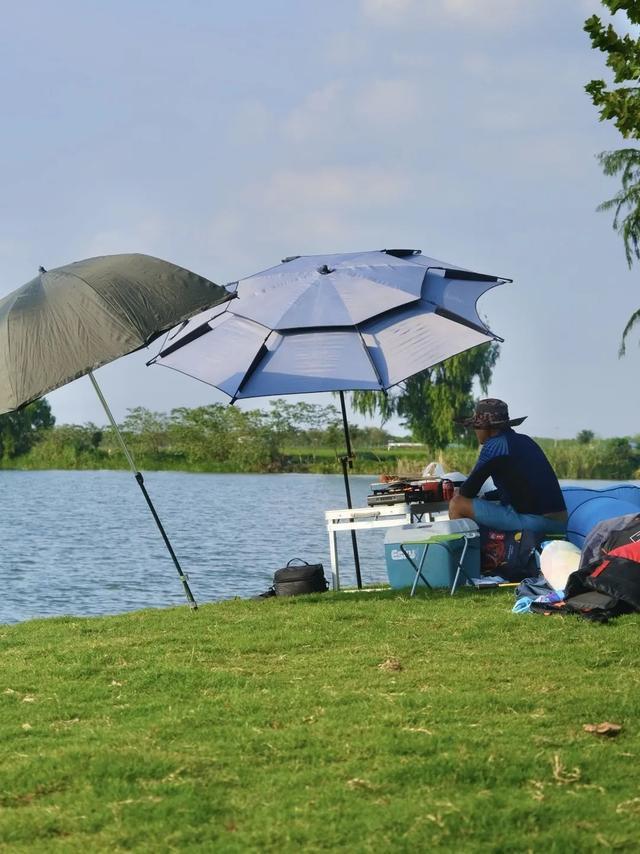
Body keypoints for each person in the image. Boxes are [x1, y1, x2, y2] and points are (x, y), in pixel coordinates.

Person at [448, 398, 567, 535]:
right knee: (484, 503)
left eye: (476, 426)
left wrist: (458, 492)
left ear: (487, 427)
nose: (475, 431)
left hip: (538, 522)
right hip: (559, 522)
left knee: (457, 504)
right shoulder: (524, 440)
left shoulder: (495, 446)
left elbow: (467, 491)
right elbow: (519, 488)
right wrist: (486, 497)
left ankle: (468, 555)